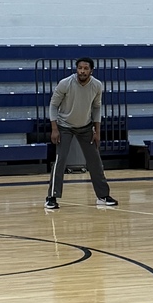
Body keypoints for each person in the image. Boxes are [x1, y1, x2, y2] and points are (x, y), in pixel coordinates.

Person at [44, 57, 118, 211]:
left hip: (86, 127)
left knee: (95, 161)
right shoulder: (65, 83)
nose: (82, 71)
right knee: (60, 160)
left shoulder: (97, 85)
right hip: (64, 126)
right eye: (80, 68)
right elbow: (53, 105)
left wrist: (97, 131)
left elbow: (97, 108)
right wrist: (54, 128)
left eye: (85, 68)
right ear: (76, 69)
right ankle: (52, 197)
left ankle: (103, 195)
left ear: (91, 70)